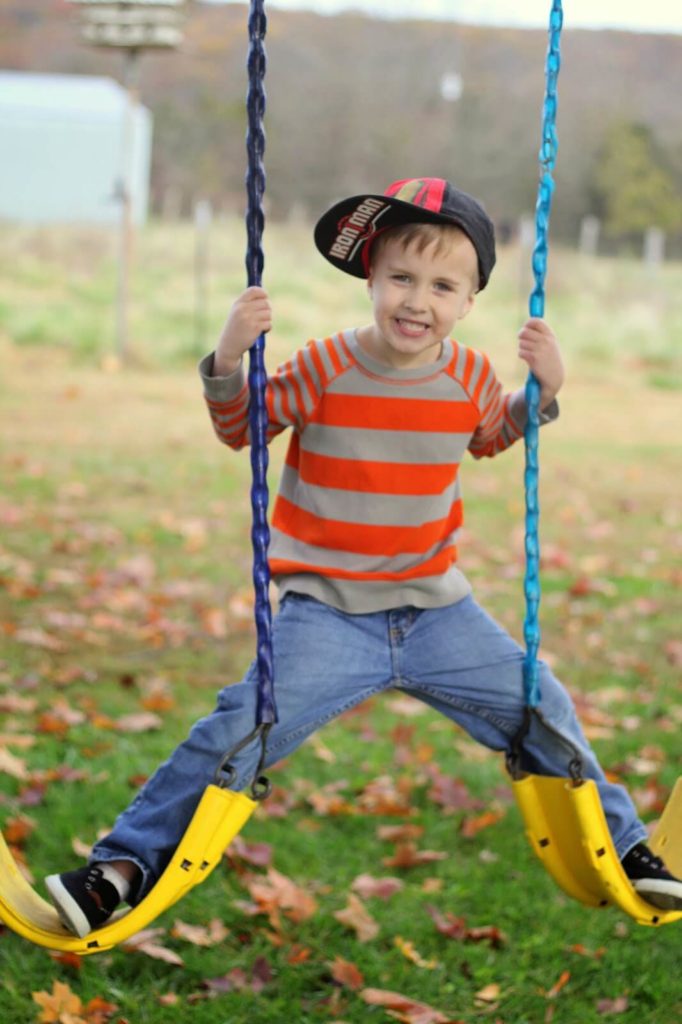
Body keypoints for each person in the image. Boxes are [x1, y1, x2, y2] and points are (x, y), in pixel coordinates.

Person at [46, 178, 682, 937]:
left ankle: (628, 845)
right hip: (329, 616)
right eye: (401, 279)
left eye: (442, 286)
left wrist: (540, 394)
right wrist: (227, 353)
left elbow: (490, 436)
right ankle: (117, 870)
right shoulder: (323, 367)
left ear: (470, 301)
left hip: (439, 612)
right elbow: (241, 427)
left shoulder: (471, 377)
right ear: (371, 279)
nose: (418, 301)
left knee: (542, 702)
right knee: (240, 723)